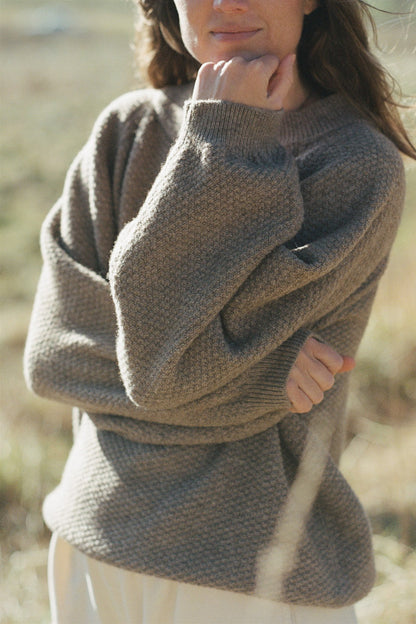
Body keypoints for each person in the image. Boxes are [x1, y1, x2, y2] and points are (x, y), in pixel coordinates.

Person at [24, 0, 415, 621]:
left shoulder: (354, 165)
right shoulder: (126, 131)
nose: (225, 2)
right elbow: (54, 358)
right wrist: (257, 376)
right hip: (94, 548)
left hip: (248, 577)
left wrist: (224, 136)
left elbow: (158, 374)